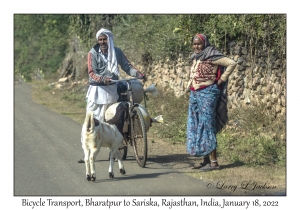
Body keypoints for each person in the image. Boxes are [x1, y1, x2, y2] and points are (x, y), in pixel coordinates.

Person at [78, 28, 145, 163]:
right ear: (98, 41)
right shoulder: (92, 53)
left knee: (111, 123)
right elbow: (91, 72)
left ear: (109, 40)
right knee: (92, 124)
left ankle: (114, 152)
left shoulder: (117, 52)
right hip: (97, 93)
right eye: (100, 40)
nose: (102, 42)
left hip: (112, 92)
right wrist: (103, 79)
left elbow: (127, 66)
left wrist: (138, 74)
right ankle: (88, 154)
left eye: (105, 39)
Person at [186, 33, 237, 171]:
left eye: (199, 44)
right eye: (195, 44)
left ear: (205, 44)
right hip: (195, 94)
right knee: (197, 124)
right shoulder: (196, 57)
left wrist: (221, 80)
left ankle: (214, 162)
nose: (196, 46)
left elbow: (232, 63)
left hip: (208, 93)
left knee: (207, 125)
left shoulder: (213, 55)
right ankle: (205, 160)